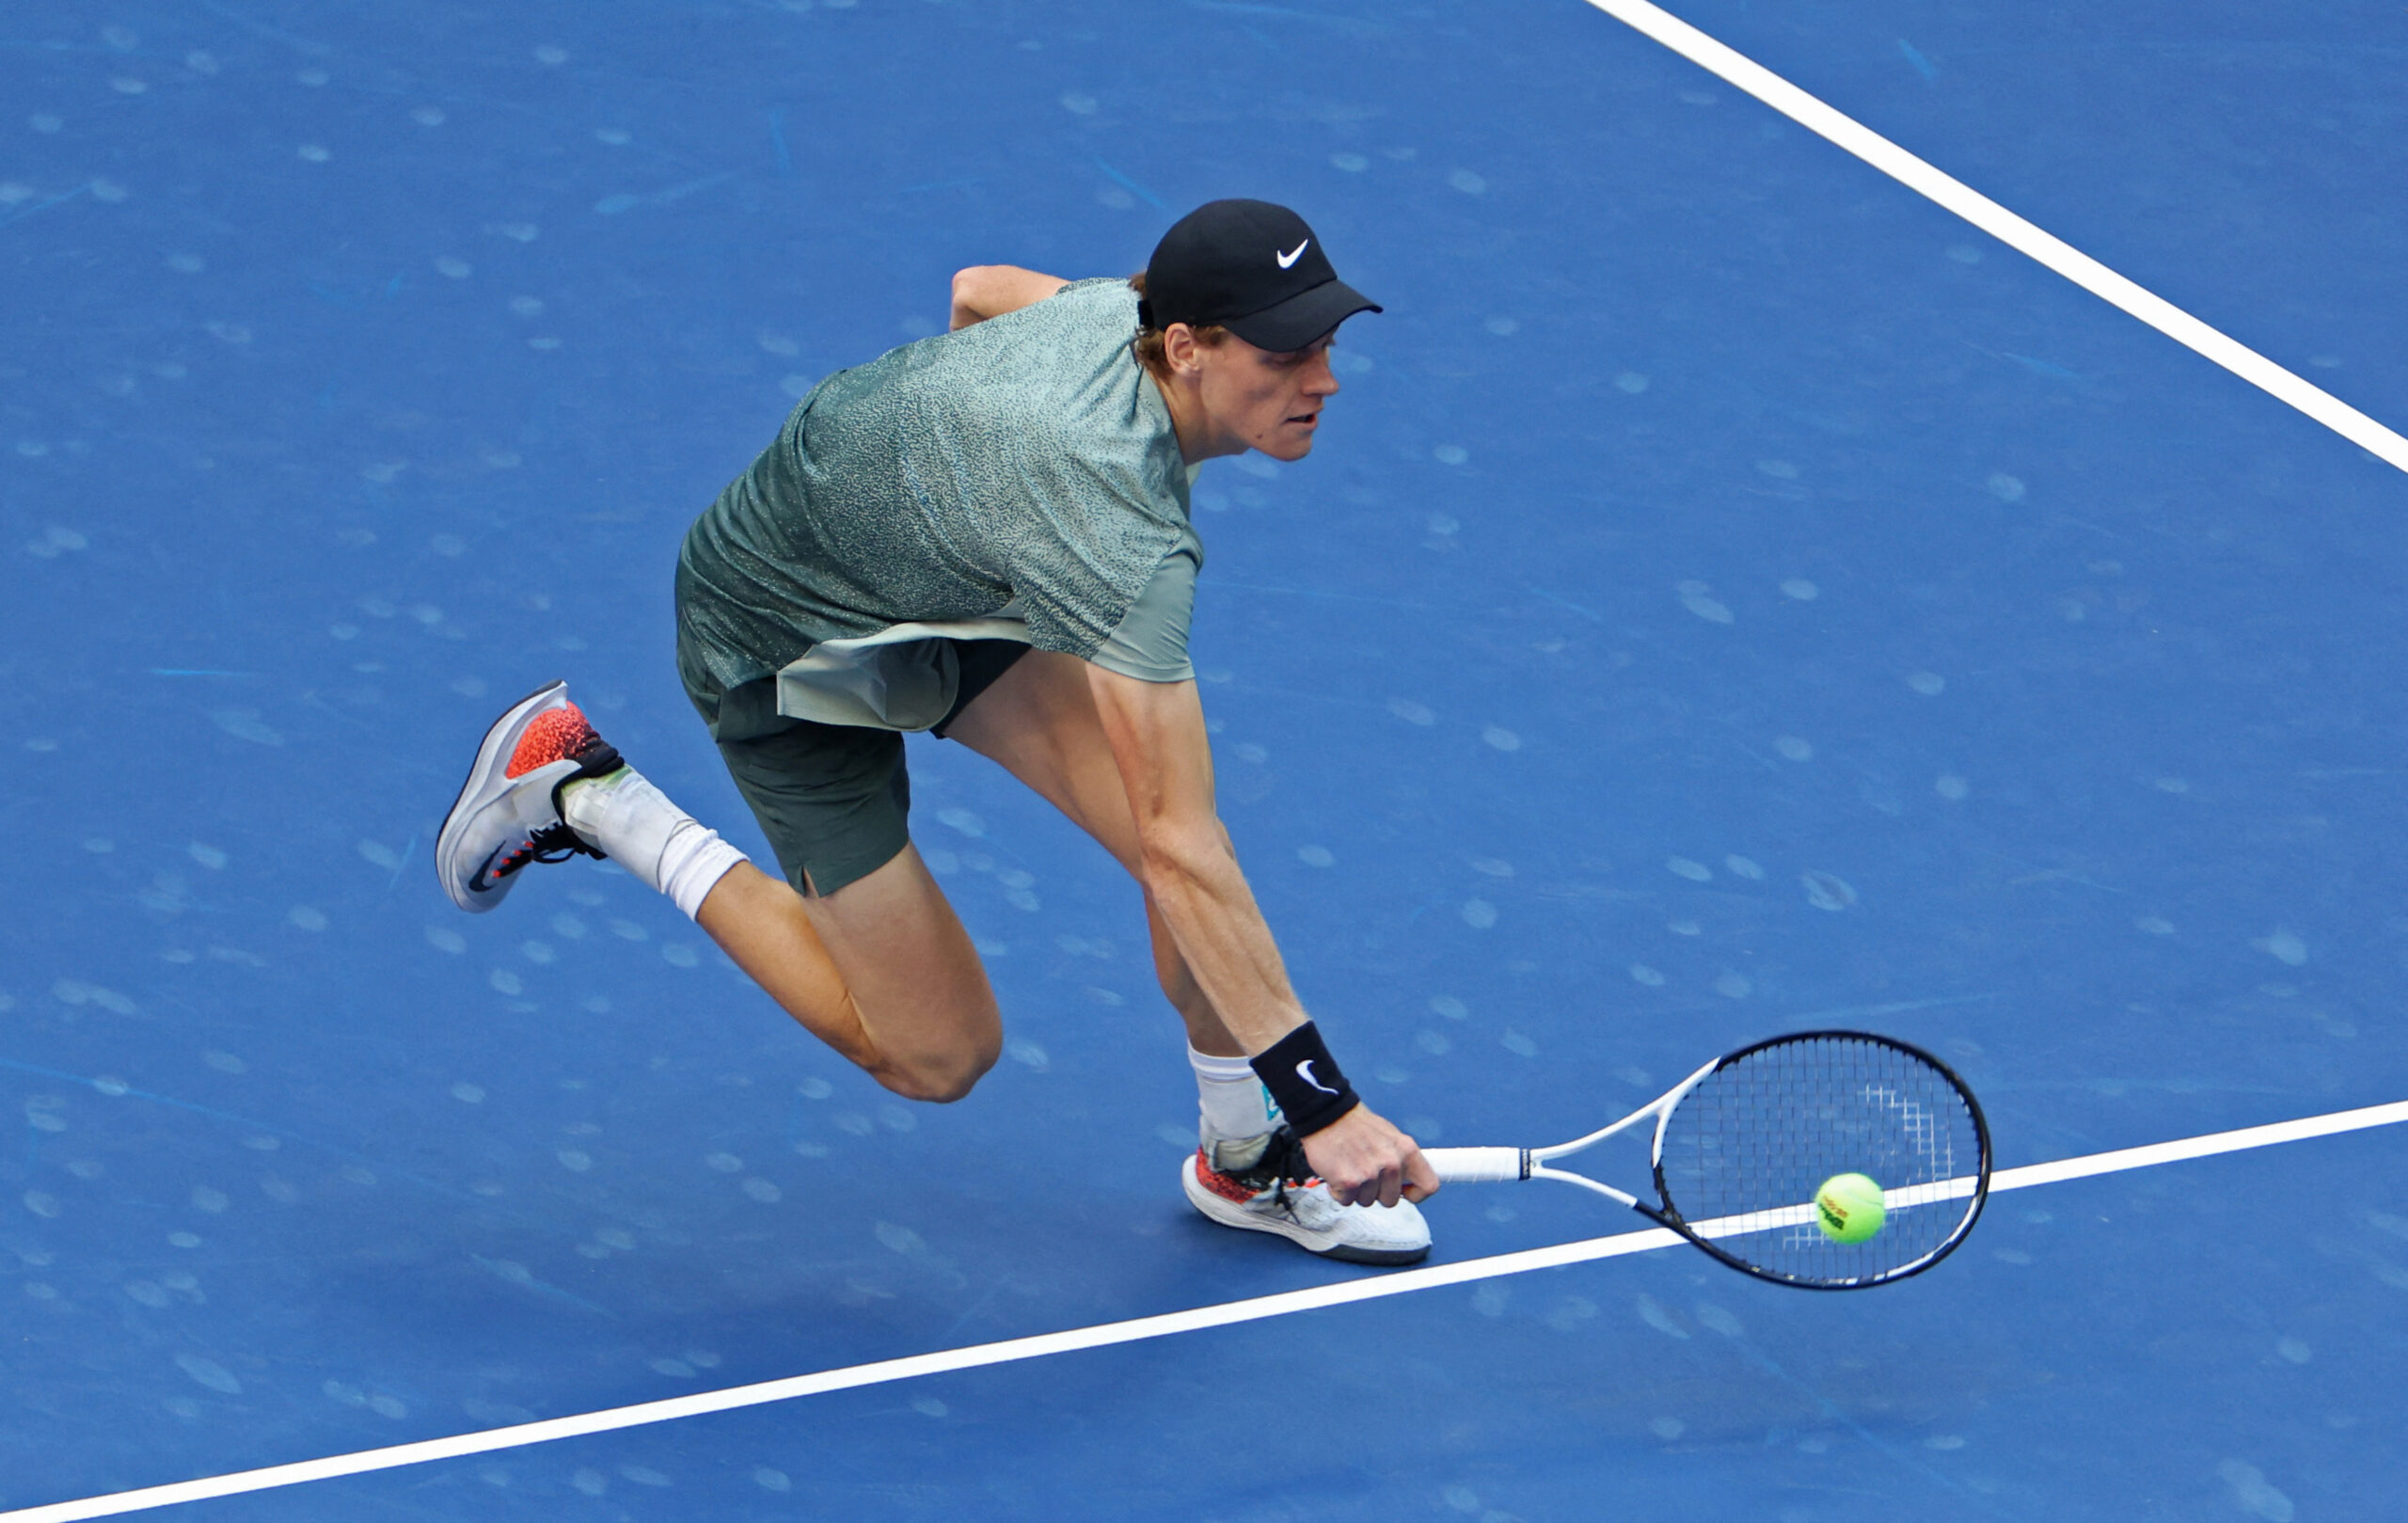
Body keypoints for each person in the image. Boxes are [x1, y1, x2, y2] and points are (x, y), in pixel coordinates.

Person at [436, 199, 1440, 1264]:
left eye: (1327, 343)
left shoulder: (1114, 314)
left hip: (947, 595)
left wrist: (967, 493)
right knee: (940, 1052)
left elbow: (978, 288)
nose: (1323, 379)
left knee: (1182, 859)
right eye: (1287, 354)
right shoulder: (1115, 529)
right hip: (773, 642)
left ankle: (1243, 1157)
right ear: (1186, 347)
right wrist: (1326, 1103)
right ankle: (586, 791)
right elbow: (1178, 844)